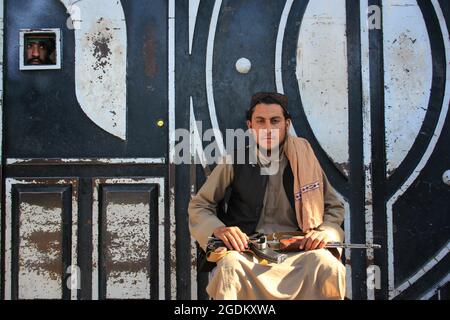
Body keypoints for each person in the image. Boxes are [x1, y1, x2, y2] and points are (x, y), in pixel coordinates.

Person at [188, 92, 346, 300]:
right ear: (250, 126)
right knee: (229, 267)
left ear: (286, 124)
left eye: (275, 121)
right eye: (260, 121)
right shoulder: (235, 159)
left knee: (327, 265)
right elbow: (200, 205)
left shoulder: (304, 158)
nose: (268, 128)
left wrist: (325, 232)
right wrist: (218, 230)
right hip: (248, 252)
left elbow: (333, 207)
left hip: (299, 252)